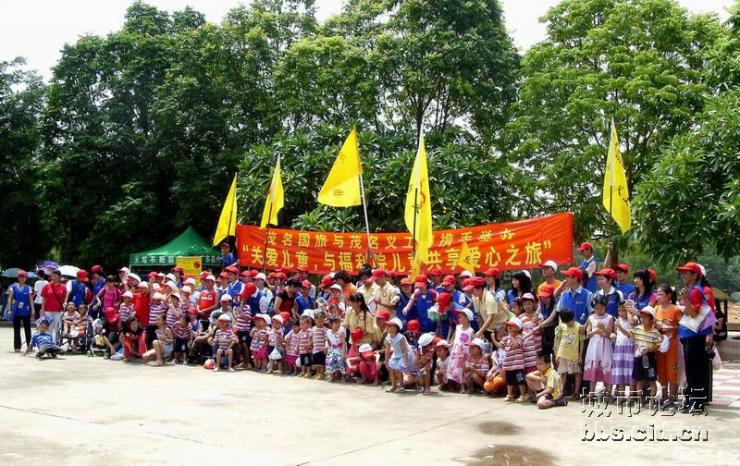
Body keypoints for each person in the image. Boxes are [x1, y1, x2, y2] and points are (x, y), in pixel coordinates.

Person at [675, 261, 714, 414]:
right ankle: (692, 400)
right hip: (690, 335)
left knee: (694, 370)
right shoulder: (693, 290)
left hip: (694, 335)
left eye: (686, 273)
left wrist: (685, 299)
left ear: (694, 275)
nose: (682, 275)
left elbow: (693, 313)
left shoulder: (696, 291)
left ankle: (695, 402)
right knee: (693, 369)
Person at [617, 306, 661, 403]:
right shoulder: (637, 329)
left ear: (651, 319)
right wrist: (619, 327)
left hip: (650, 358)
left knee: (651, 379)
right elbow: (627, 334)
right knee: (638, 379)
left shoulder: (655, 332)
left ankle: (652, 399)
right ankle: (639, 399)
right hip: (638, 358)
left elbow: (658, 345)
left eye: (645, 317)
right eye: (641, 317)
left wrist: (649, 349)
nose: (642, 319)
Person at [654, 285, 681, 408]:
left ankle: (672, 396)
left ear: (669, 296)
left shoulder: (675, 309)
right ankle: (664, 395)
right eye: (657, 294)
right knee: (661, 370)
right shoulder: (656, 309)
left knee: (672, 370)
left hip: (672, 345)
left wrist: (671, 327)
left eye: (661, 294)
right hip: (660, 345)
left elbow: (682, 326)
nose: (658, 297)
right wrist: (657, 327)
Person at [583, 295, 614, 399]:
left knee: (606, 367)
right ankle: (591, 393)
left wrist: (603, 329)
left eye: (601, 308)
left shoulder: (609, 318)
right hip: (594, 346)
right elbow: (588, 334)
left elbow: (610, 334)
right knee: (594, 368)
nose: (599, 310)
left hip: (605, 346)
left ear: (605, 307)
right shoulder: (591, 318)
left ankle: (609, 393)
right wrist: (595, 331)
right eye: (597, 308)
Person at [554, 309, 585, 399]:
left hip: (574, 355)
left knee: (577, 373)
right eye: (566, 322)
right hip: (562, 355)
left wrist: (580, 355)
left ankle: (576, 393)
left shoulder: (579, 327)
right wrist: (557, 354)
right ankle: (561, 392)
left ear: (573, 318)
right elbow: (558, 341)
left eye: (569, 322)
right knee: (562, 373)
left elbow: (581, 342)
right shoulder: (561, 327)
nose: (568, 324)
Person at [494, 318, 527, 402]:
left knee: (520, 380)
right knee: (509, 381)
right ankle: (510, 395)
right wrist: (493, 339)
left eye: (512, 325)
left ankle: (523, 395)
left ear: (518, 327)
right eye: (508, 325)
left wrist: (511, 336)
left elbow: (516, 345)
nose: (509, 327)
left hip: (518, 365)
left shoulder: (519, 337)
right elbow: (500, 346)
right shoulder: (506, 338)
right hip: (509, 365)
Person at [467, 277, 507, 342]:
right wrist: (481, 333)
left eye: (473, 290)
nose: (471, 292)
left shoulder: (490, 298)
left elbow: (490, 318)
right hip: (488, 328)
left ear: (480, 289)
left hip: (501, 328)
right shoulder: (475, 297)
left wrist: (480, 332)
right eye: (470, 290)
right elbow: (479, 316)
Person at [610, 301, 635, 402]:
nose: (621, 313)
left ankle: (632, 395)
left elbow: (629, 334)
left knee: (630, 371)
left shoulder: (633, 320)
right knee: (620, 371)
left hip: (629, 348)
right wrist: (613, 336)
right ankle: (621, 395)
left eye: (624, 310)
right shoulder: (617, 321)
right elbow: (615, 333)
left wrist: (620, 326)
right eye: (619, 310)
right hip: (619, 348)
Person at [446, 307, 475, 391]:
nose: (458, 319)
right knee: (456, 369)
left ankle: (466, 386)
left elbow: (472, 342)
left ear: (467, 318)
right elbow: (455, 338)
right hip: (456, 352)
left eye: (460, 317)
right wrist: (450, 344)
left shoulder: (471, 330)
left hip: (465, 353)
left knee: (463, 369)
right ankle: (459, 385)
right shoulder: (458, 327)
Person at [384, 317, 415, 393]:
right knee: (391, 369)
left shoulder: (400, 338)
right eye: (388, 325)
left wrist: (405, 360)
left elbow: (405, 350)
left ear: (395, 328)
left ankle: (401, 387)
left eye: (390, 326)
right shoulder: (388, 337)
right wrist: (386, 361)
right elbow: (387, 350)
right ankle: (393, 387)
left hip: (404, 355)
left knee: (398, 369)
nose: (387, 327)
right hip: (395, 354)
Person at [8, 270, 34, 352]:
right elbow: (10, 298)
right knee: (16, 329)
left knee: (27, 329)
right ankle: (17, 347)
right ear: (18, 278)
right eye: (20, 277)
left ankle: (29, 346)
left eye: (23, 277)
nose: (22, 278)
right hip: (16, 310)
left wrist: (33, 309)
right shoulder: (13, 287)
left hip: (26, 310)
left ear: (26, 278)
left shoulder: (28, 288)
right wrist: (9, 309)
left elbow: (30, 299)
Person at [40, 269, 68, 343]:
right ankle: (48, 342)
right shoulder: (46, 286)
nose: (53, 277)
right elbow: (43, 298)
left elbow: (65, 297)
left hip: (58, 310)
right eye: (52, 275)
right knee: (48, 327)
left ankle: (56, 342)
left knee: (57, 327)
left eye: (55, 275)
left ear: (59, 277)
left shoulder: (63, 287)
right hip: (48, 310)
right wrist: (42, 309)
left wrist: (65, 302)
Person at [325, 316, 347, 381]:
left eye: (339, 323)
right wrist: (326, 345)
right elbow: (327, 340)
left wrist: (343, 353)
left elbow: (343, 343)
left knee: (340, 362)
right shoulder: (328, 332)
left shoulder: (341, 332)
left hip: (340, 349)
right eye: (336, 323)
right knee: (331, 361)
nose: (338, 324)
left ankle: (342, 376)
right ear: (331, 324)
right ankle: (332, 375)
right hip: (332, 350)